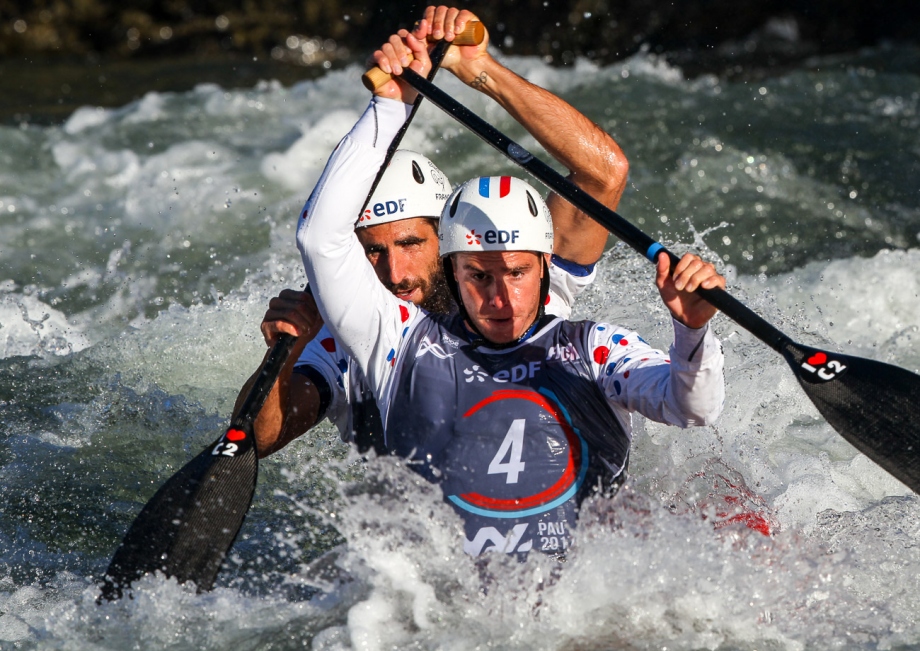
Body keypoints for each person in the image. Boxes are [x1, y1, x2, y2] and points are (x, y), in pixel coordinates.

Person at [296, 26, 727, 557]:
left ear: (544, 266)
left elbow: (694, 409)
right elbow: (320, 239)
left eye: (517, 273)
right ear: (456, 269)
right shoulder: (386, 337)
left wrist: (692, 330)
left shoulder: (585, 342)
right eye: (478, 276)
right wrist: (391, 104)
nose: (502, 298)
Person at [234, 6, 630, 457]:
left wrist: (479, 69)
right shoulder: (345, 336)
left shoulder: (518, 280)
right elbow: (254, 442)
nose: (395, 273)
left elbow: (603, 173)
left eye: (410, 243)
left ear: (449, 238)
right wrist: (285, 353)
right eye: (372, 252)